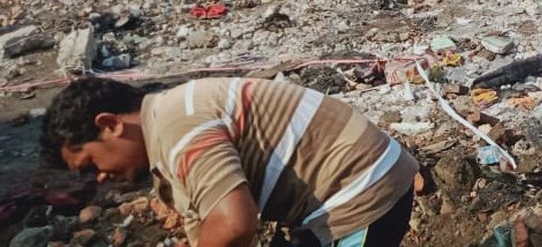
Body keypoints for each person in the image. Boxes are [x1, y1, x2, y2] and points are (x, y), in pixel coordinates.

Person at [43, 76, 420, 247]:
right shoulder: (166, 147)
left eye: (92, 164)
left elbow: (234, 225)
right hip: (341, 192)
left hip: (361, 195)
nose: (103, 177)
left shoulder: (179, 129)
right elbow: (207, 230)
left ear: (109, 125)